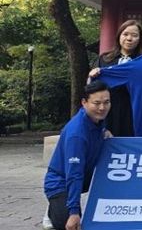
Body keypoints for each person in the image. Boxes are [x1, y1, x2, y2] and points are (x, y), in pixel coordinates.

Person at [44, 81, 111, 230]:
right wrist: (73, 211)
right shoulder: (77, 134)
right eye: (97, 103)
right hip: (61, 183)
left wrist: (104, 132)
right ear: (84, 103)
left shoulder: (97, 120)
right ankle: (54, 210)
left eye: (106, 102)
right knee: (71, 224)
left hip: (85, 177)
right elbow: (74, 174)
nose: (102, 107)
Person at [88, 20, 142, 137]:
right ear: (119, 36)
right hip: (109, 110)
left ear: (140, 39)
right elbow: (91, 88)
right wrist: (91, 76)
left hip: (134, 110)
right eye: (125, 34)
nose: (129, 38)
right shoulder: (104, 59)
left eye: (134, 35)